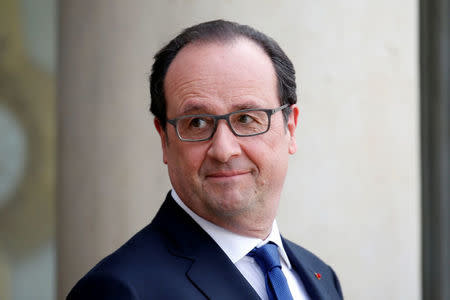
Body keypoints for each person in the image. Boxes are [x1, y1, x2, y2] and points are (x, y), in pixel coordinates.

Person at [67, 20, 343, 300]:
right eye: (197, 122)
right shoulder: (119, 290)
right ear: (164, 139)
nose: (223, 150)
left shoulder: (320, 277)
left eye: (246, 118)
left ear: (290, 129)